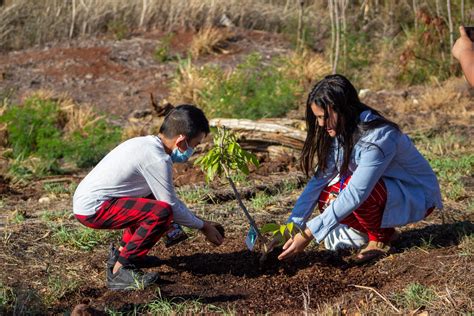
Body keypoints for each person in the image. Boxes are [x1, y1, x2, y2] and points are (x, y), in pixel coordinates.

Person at [276, 74, 442, 263]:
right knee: (327, 194)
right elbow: (319, 180)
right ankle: (386, 232)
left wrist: (308, 234)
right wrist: (292, 227)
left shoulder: (379, 137)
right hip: (386, 190)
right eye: (318, 118)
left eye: (325, 117)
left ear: (343, 109)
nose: (321, 124)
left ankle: (379, 239)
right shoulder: (343, 130)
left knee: (347, 189)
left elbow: (357, 192)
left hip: (416, 195)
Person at [73, 104, 224, 290]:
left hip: (91, 201)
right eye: (195, 145)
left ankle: (122, 254)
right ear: (181, 141)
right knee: (160, 213)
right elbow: (170, 206)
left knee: (154, 200)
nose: (194, 150)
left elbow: (167, 198)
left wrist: (201, 222)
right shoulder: (157, 159)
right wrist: (204, 227)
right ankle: (120, 272)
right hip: (94, 209)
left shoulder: (144, 143)